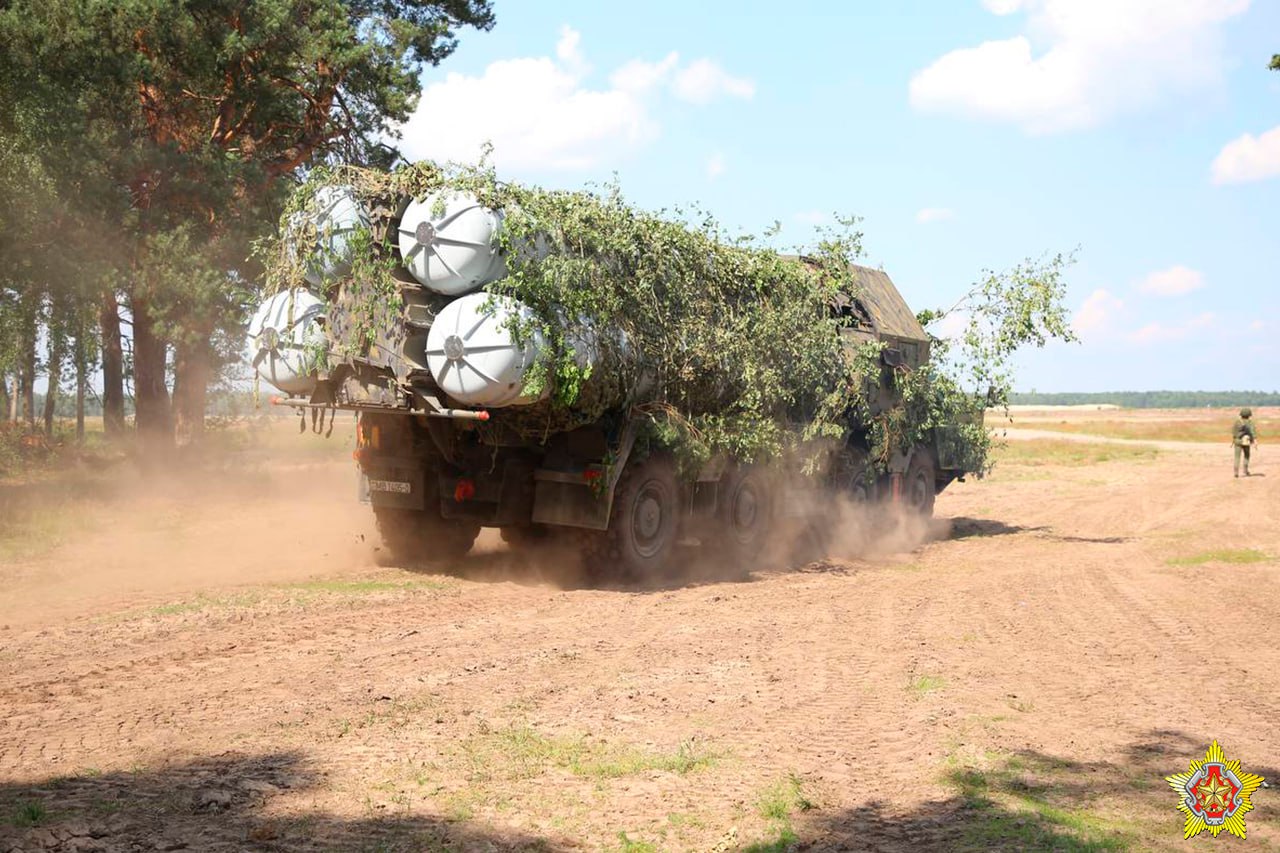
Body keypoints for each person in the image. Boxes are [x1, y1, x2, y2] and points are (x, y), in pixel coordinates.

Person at [1232, 408, 1258, 477]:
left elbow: (1233, 432)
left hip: (1237, 441)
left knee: (1237, 457)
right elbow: (1253, 432)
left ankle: (1236, 472)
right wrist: (1254, 441)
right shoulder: (1250, 422)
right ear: (1249, 415)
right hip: (1246, 441)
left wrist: (1236, 438)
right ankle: (1245, 470)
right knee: (1246, 455)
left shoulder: (1237, 422)